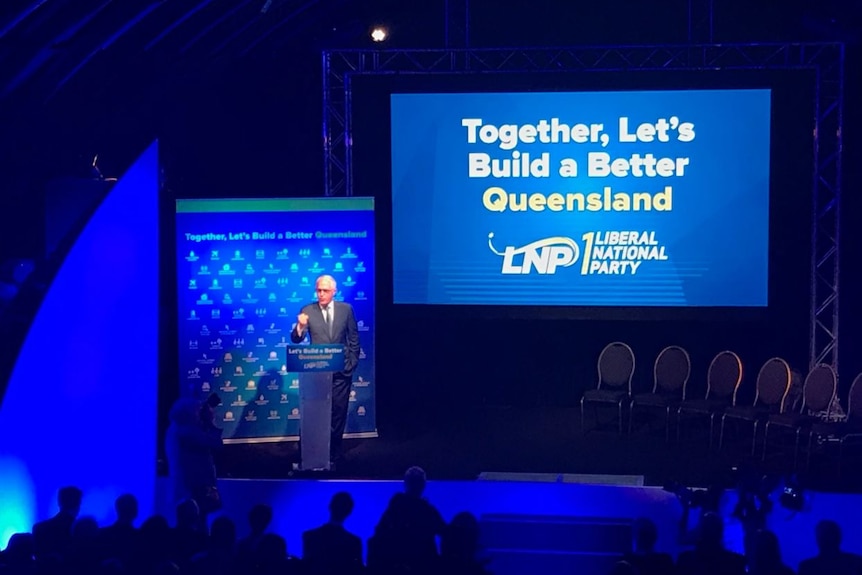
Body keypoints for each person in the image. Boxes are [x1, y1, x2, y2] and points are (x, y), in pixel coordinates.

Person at [291, 274, 360, 464]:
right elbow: (296, 339)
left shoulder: (346, 310)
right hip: (317, 374)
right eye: (318, 290)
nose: (321, 294)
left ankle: (334, 453)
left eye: (325, 291)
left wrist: (351, 364)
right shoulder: (307, 310)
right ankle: (309, 452)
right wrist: (300, 326)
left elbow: (353, 339)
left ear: (334, 292)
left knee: (338, 414)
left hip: (341, 372)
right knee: (313, 414)